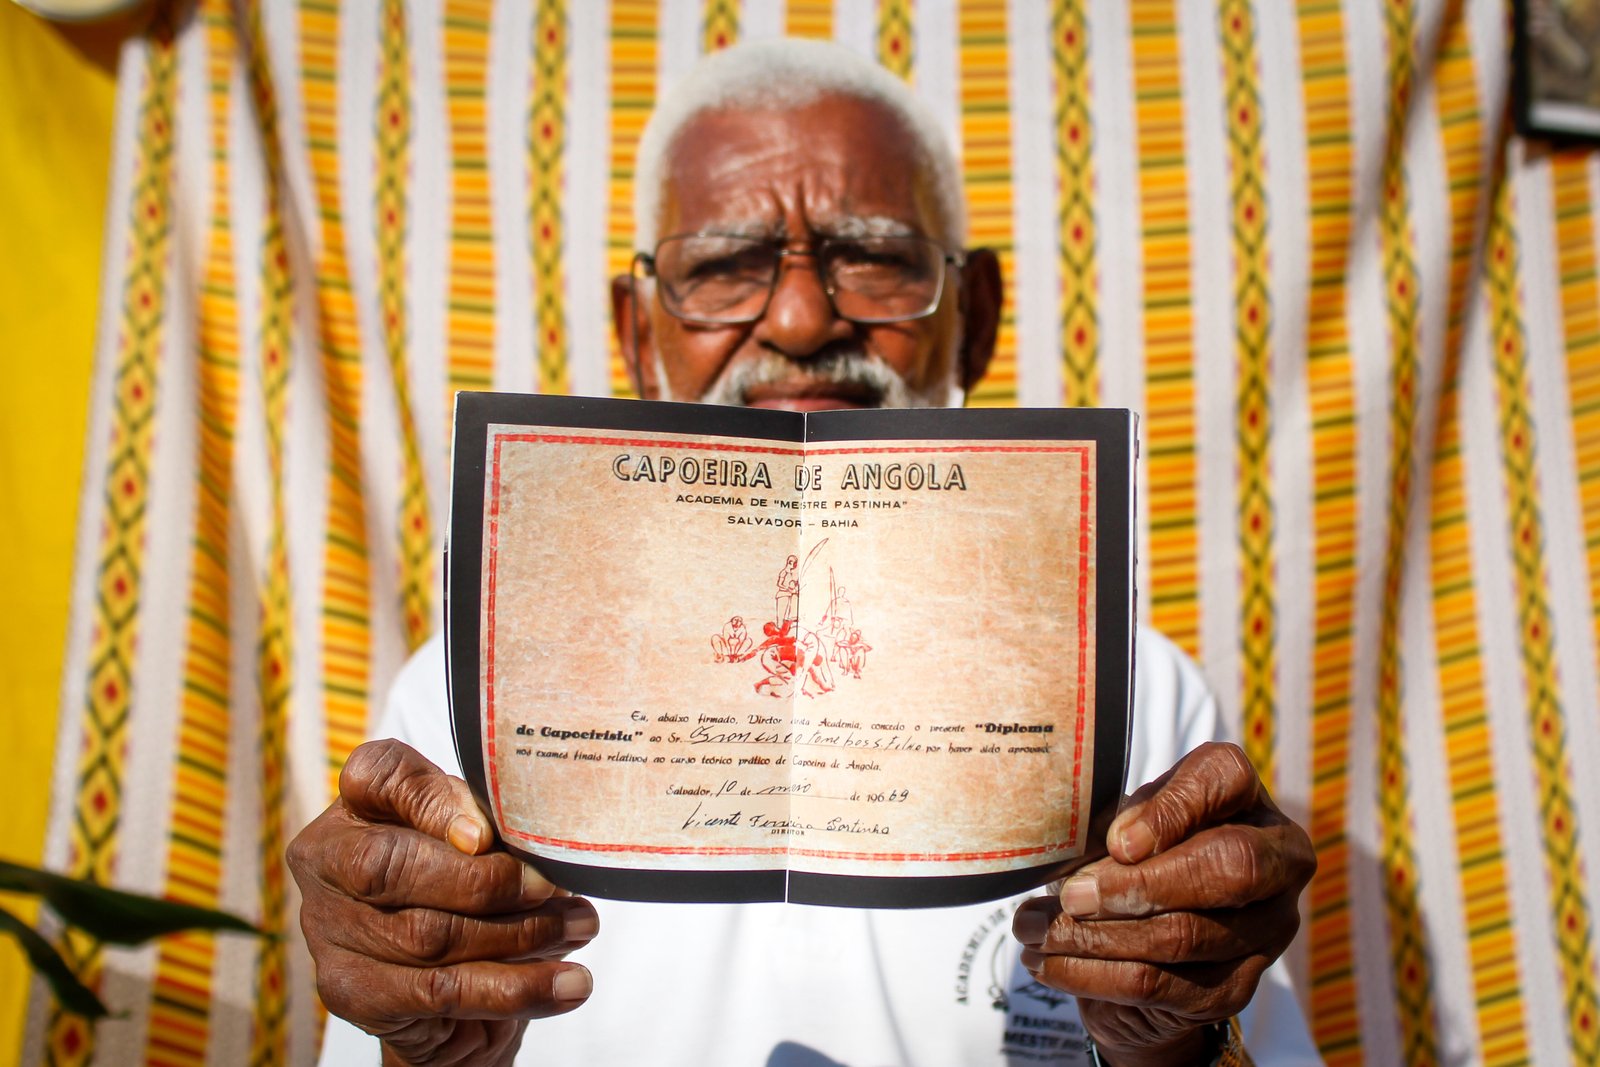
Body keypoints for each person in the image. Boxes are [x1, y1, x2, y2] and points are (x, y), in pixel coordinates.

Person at [289, 38, 1317, 1067]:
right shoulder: (478, 700)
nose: (797, 317)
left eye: (870, 256)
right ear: (639, 335)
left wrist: (1171, 1039)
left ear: (977, 317)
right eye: (726, 266)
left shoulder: (1131, 696)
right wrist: (429, 1047)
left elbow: (1218, 1043)